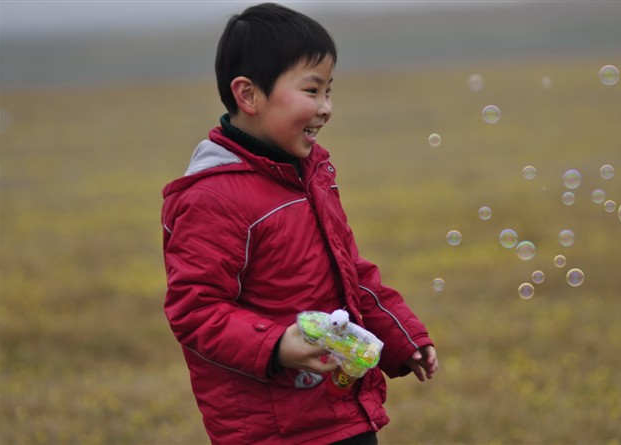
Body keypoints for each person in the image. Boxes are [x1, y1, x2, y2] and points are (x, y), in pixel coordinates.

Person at [161, 3, 438, 444]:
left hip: (340, 409)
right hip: (273, 428)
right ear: (248, 95)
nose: (326, 108)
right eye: (312, 91)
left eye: (329, 91)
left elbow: (351, 271)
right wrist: (274, 345)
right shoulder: (212, 197)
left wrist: (402, 336)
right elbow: (195, 310)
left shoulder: (311, 176)